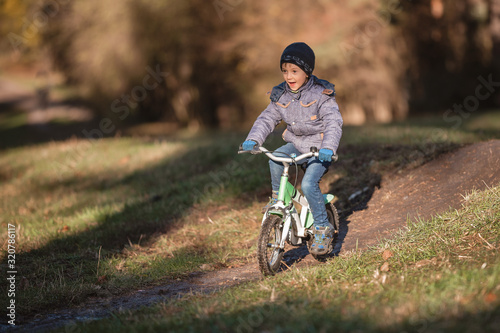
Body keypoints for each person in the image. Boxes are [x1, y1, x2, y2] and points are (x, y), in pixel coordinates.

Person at [241, 42, 343, 256]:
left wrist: (328, 148)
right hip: (296, 145)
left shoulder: (321, 94)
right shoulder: (281, 96)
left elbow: (334, 122)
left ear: (307, 72)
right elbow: (266, 119)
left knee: (308, 183)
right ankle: (279, 199)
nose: (289, 76)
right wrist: (253, 139)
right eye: (285, 71)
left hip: (319, 149)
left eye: (294, 71)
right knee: (275, 157)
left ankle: (322, 227)